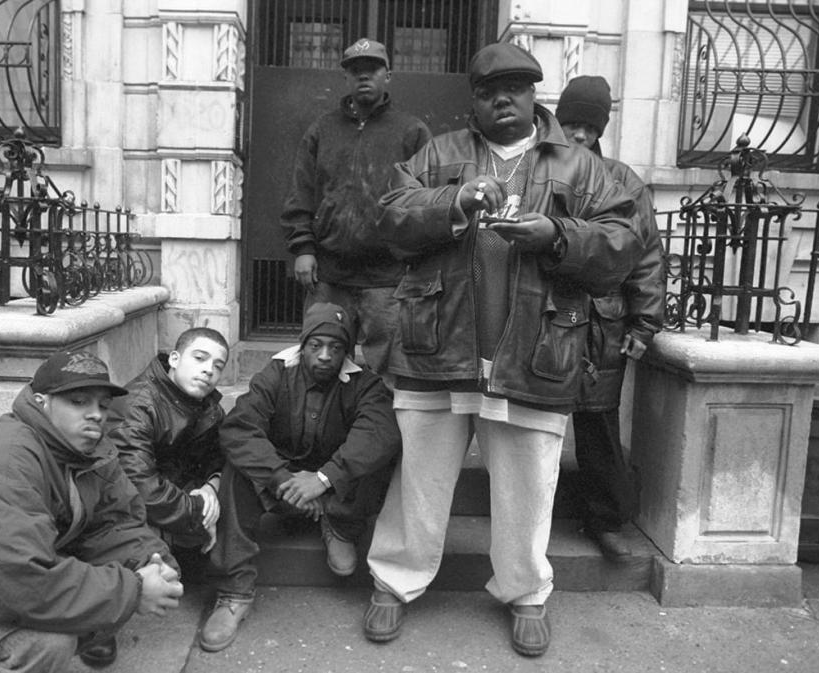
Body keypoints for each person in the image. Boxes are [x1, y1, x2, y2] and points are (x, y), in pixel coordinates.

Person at [361, 42, 644, 657]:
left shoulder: (582, 166)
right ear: (474, 100)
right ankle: (395, 578)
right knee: (422, 477)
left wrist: (556, 235)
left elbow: (623, 244)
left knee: (528, 481)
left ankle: (526, 592)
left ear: (534, 94)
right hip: (438, 344)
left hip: (537, 349)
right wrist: (454, 201)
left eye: (515, 88)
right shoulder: (440, 154)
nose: (502, 99)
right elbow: (390, 219)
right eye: (490, 91)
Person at [0, 351, 184, 673]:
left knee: (106, 593)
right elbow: (19, 587)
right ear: (41, 401)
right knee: (47, 640)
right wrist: (133, 589)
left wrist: (151, 563)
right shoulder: (3, 470)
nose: (96, 415)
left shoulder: (86, 450)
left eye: (103, 405)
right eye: (79, 402)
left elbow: (114, 522)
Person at [200, 302, 402, 652]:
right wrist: (281, 479)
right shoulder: (275, 375)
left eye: (336, 348)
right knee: (238, 465)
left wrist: (323, 480)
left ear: (347, 351)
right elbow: (239, 428)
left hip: (337, 492)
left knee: (381, 450)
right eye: (316, 346)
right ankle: (235, 589)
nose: (325, 356)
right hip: (285, 488)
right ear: (302, 345)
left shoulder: (364, 384)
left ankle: (340, 526)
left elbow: (379, 433)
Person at [554, 75, 665, 559]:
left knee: (597, 422)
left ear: (601, 129)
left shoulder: (623, 181)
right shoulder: (540, 171)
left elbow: (646, 256)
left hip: (602, 320)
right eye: (570, 123)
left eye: (588, 126)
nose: (578, 135)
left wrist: (645, 323)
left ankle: (604, 519)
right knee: (525, 423)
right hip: (545, 312)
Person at [280, 37, 432, 376]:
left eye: (373, 69)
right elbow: (300, 192)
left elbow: (427, 202)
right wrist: (303, 248)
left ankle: (381, 429)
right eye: (356, 71)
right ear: (346, 78)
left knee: (390, 370)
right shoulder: (322, 129)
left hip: (388, 277)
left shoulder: (412, 131)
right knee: (321, 365)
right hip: (329, 276)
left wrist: (413, 261)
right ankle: (325, 429)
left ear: (387, 75)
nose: (364, 76)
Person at [110, 327, 229, 557]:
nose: (208, 370)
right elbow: (141, 488)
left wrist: (211, 488)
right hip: (130, 509)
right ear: (174, 359)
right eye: (200, 358)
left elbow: (221, 458)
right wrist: (199, 510)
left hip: (180, 496)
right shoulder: (137, 406)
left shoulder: (208, 407)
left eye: (218, 366)